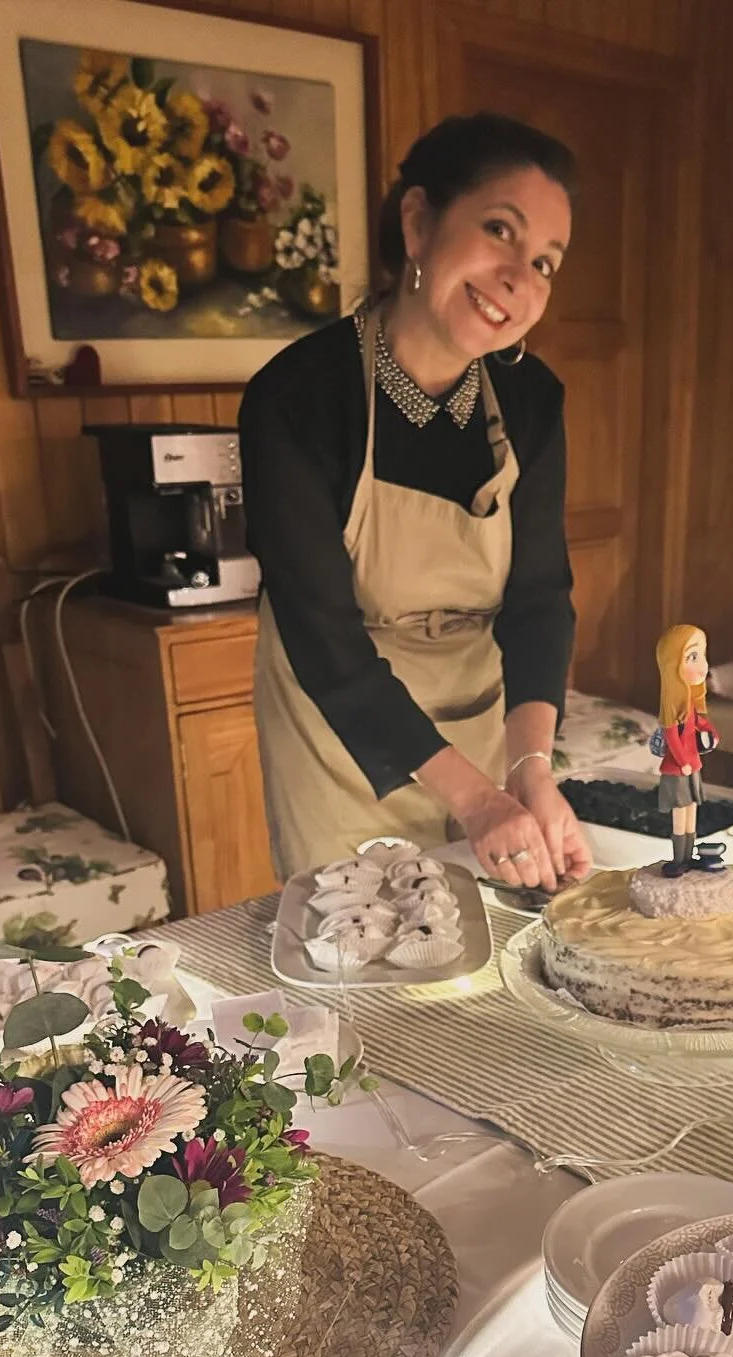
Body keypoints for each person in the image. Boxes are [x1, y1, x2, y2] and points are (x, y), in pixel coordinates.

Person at [240, 112, 593, 893]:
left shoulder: (531, 401)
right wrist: (475, 799)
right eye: (499, 231)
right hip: (339, 737)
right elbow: (322, 638)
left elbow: (539, 599)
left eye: (544, 263)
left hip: (478, 716)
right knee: (361, 946)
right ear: (418, 222)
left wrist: (529, 770)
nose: (520, 279)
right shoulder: (298, 397)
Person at [652, 623, 718, 875]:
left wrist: (712, 734)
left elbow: (700, 724)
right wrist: (683, 760)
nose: (703, 664)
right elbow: (672, 737)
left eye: (702, 654)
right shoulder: (671, 708)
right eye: (692, 656)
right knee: (680, 813)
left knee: (692, 810)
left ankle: (689, 856)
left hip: (693, 765)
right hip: (678, 768)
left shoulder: (690, 703)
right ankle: (678, 859)